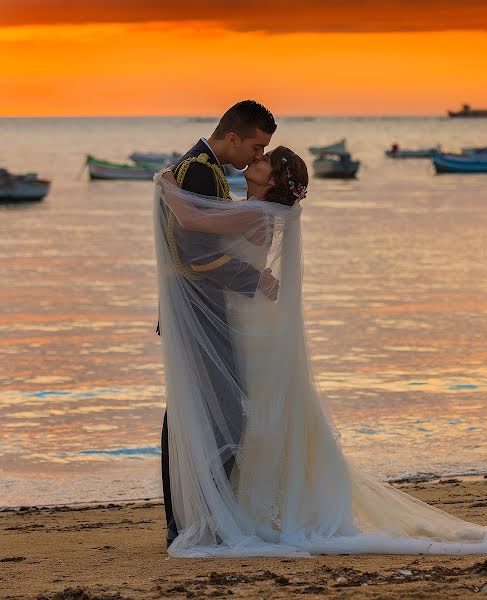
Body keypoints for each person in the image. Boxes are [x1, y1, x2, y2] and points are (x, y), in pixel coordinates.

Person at [153, 143, 487, 557]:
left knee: (250, 417)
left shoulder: (255, 213)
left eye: (263, 160)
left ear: (274, 179)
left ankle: (233, 510)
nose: (253, 161)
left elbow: (190, 219)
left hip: (246, 324)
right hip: (245, 318)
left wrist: (165, 180)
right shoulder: (255, 211)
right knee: (253, 416)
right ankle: (236, 507)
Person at [157, 100, 277, 547]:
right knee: (211, 412)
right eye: (256, 146)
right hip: (195, 311)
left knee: (204, 412)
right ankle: (196, 517)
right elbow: (194, 254)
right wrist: (253, 278)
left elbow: (215, 236)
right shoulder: (198, 172)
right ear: (233, 137)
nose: (257, 156)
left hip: (206, 310)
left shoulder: (205, 169)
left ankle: (199, 515)